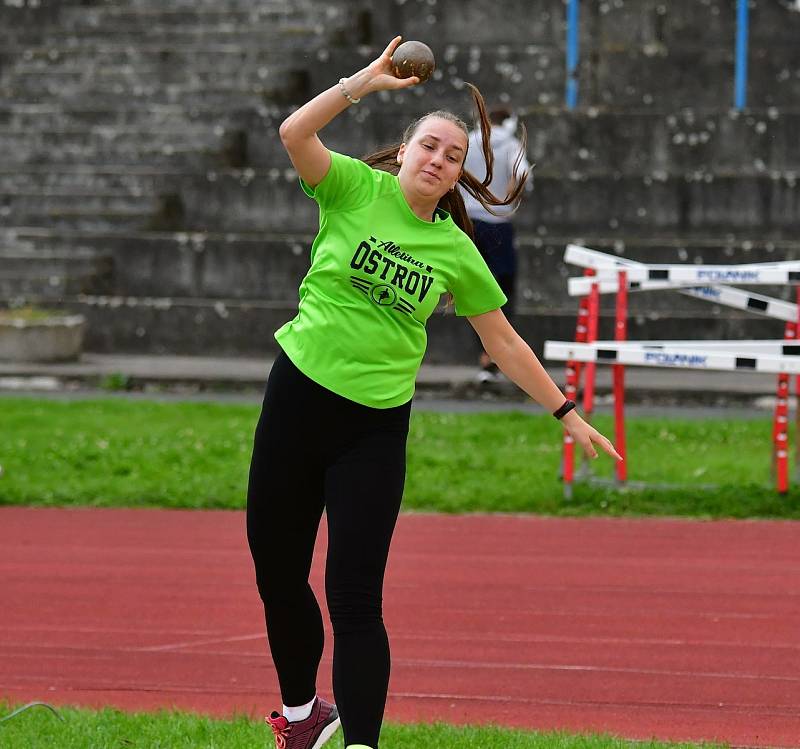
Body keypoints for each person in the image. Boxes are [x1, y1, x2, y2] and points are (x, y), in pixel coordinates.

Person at [246, 35, 621, 749]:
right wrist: (366, 80)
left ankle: (362, 743)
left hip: (372, 430)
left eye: (453, 156)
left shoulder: (455, 250)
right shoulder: (354, 186)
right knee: (276, 569)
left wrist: (566, 412)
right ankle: (301, 715)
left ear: (456, 177)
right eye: (430, 145)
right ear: (406, 149)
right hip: (296, 399)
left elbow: (504, 341)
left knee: (355, 597)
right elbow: (295, 131)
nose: (440, 159)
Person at [462, 106, 530, 383]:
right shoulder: (512, 145)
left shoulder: (468, 141)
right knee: (502, 292)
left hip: (470, 224)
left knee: (473, 292)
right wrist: (505, 202)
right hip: (499, 224)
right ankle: (496, 357)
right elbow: (523, 175)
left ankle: (483, 357)